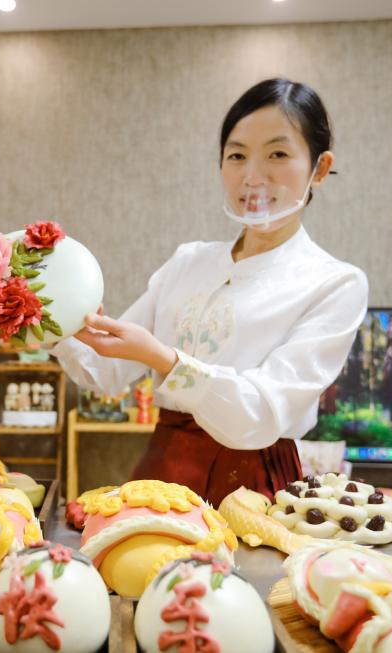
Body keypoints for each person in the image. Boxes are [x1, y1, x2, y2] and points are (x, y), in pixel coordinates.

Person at [52, 78, 368, 506]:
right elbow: (105, 372)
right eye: (237, 155)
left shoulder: (334, 282)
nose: (253, 176)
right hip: (163, 470)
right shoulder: (188, 262)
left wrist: (164, 359)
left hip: (251, 484)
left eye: (277, 154)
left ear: (320, 168)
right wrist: (45, 318)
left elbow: (261, 414)